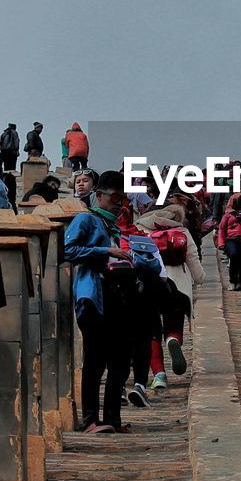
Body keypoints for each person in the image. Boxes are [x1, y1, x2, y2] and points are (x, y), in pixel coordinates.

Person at [63, 170, 160, 434]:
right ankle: (90, 420)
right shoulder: (86, 219)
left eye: (122, 199)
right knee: (95, 361)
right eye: (114, 198)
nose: (118, 204)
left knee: (119, 360)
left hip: (119, 297)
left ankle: (113, 420)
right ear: (98, 196)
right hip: (94, 297)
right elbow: (68, 250)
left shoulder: (115, 227)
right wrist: (105, 251)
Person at [136, 204, 204, 389]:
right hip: (177, 287)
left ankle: (159, 375)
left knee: (151, 332)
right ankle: (173, 341)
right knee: (173, 324)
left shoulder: (141, 229)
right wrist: (199, 278)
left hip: (149, 285)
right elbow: (192, 258)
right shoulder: (181, 231)